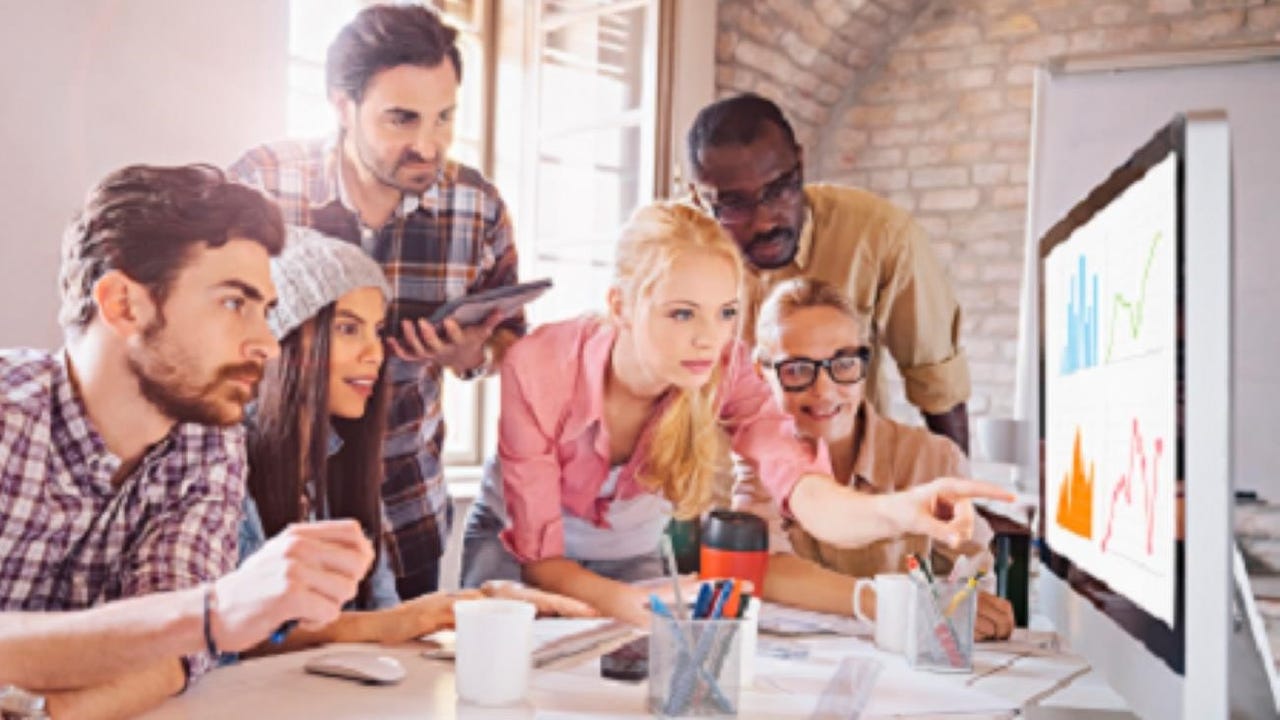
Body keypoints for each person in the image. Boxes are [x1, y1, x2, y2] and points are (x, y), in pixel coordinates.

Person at [460, 202, 1012, 626]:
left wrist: (899, 512)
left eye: (726, 312)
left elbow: (804, 491)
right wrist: (631, 605)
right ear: (621, 305)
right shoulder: (538, 366)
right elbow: (542, 562)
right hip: (517, 547)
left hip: (630, 554)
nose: (709, 338)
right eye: (682, 314)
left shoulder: (727, 369)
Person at [0, 165, 374, 718]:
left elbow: (172, 654)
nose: (268, 345)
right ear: (124, 305)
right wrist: (214, 611)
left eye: (265, 312)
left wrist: (43, 712)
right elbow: (186, 625)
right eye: (234, 303)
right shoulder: (10, 415)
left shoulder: (209, 445)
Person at [230, 3, 524, 599]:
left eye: (444, 118)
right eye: (401, 119)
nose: (428, 145)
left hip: (405, 506)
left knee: (400, 652)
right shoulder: (262, 184)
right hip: (272, 506)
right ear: (343, 105)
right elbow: (205, 324)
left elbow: (508, 339)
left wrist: (472, 354)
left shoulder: (478, 207)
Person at [238, 229, 592, 656]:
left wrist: (484, 603)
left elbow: (384, 611)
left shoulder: (344, 461)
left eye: (376, 330)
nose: (374, 353)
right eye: (348, 329)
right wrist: (413, 618)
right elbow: (233, 637)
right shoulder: (226, 463)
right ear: (282, 339)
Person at [686, 93, 973, 452]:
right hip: (718, 475)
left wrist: (959, 482)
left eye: (779, 189)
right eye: (733, 204)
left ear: (801, 164)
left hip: (844, 476)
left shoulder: (880, 234)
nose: (764, 222)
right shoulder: (674, 248)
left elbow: (937, 385)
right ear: (697, 198)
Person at [735, 277, 1014, 640]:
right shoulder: (752, 459)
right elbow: (760, 568)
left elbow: (972, 582)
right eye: (797, 370)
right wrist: (895, 604)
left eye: (843, 364)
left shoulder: (933, 459)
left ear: (865, 359)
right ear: (760, 372)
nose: (824, 391)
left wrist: (973, 608)